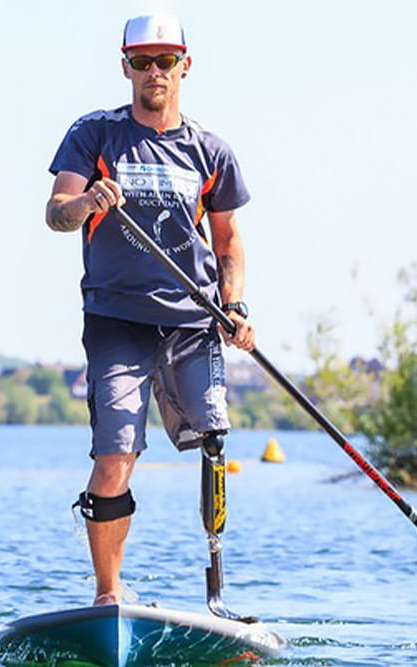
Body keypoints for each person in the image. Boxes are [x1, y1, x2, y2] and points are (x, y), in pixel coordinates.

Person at [45, 13, 256, 607]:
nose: (154, 72)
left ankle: (217, 598)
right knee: (116, 456)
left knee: (214, 441)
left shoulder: (211, 151)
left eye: (165, 61)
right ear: (125, 68)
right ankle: (109, 594)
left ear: (185, 65)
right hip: (117, 321)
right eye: (142, 62)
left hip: (193, 323)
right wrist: (86, 200)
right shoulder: (94, 135)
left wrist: (234, 306)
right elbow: (56, 212)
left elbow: (228, 241)